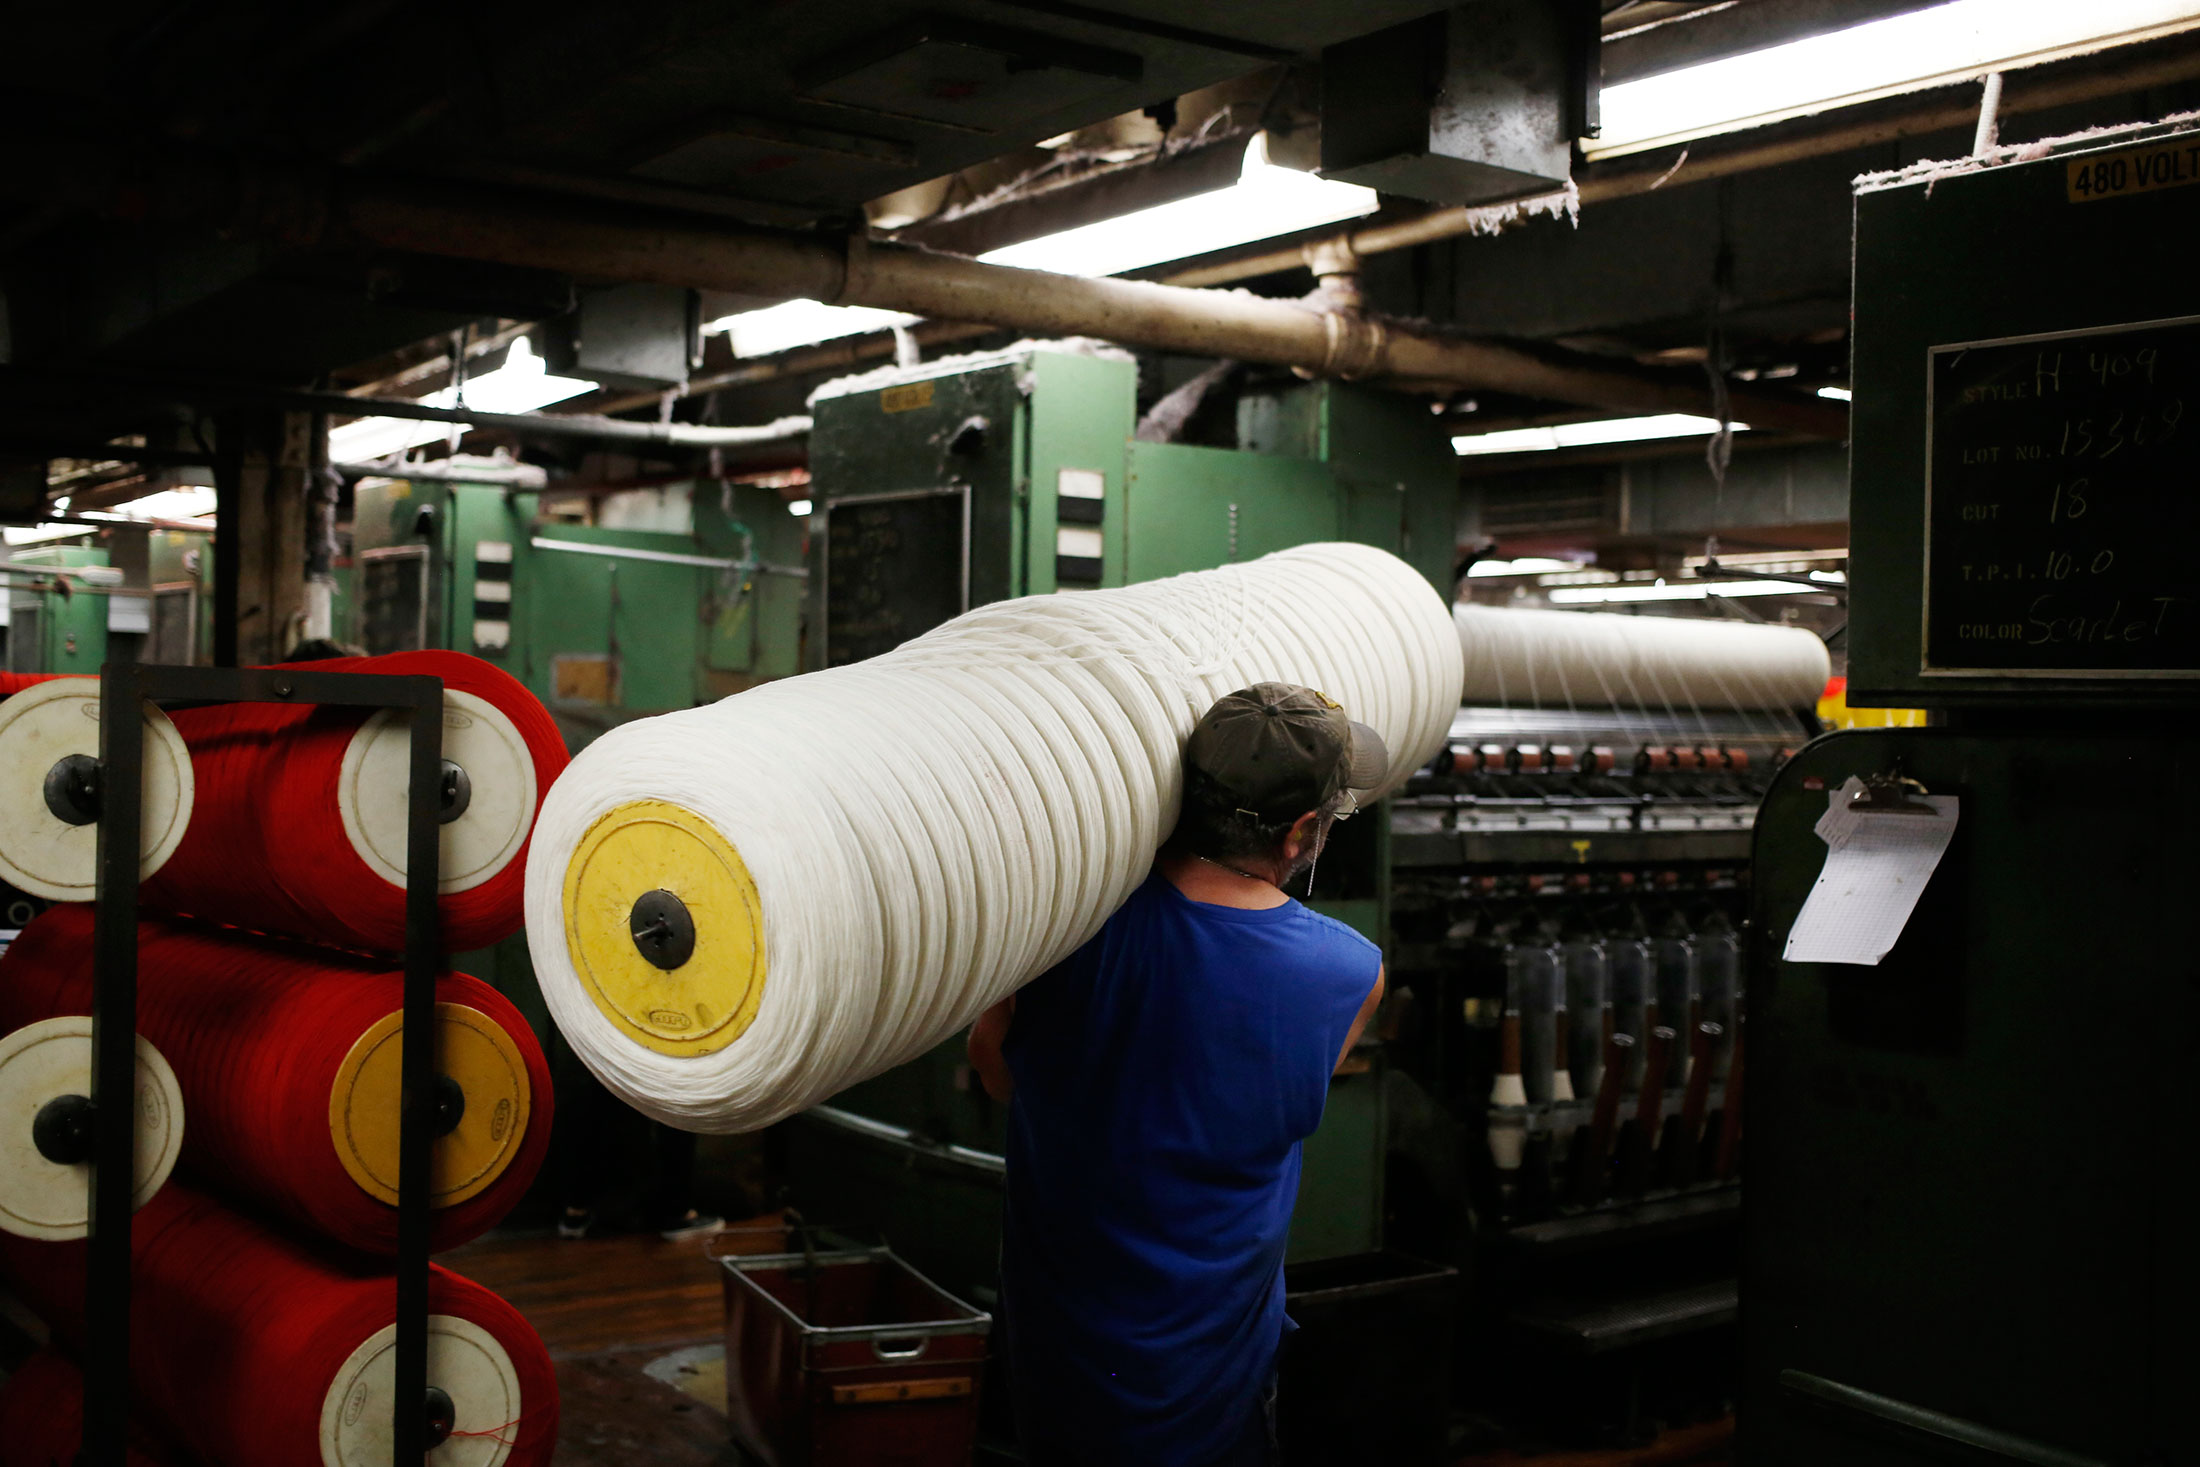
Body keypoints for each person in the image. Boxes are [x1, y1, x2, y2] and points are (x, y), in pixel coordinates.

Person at [967, 682, 1388, 1467]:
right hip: (1218, 1365)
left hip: (1065, 1351)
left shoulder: (1067, 933)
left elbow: (994, 1069)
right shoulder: (1351, 971)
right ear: (1303, 832)